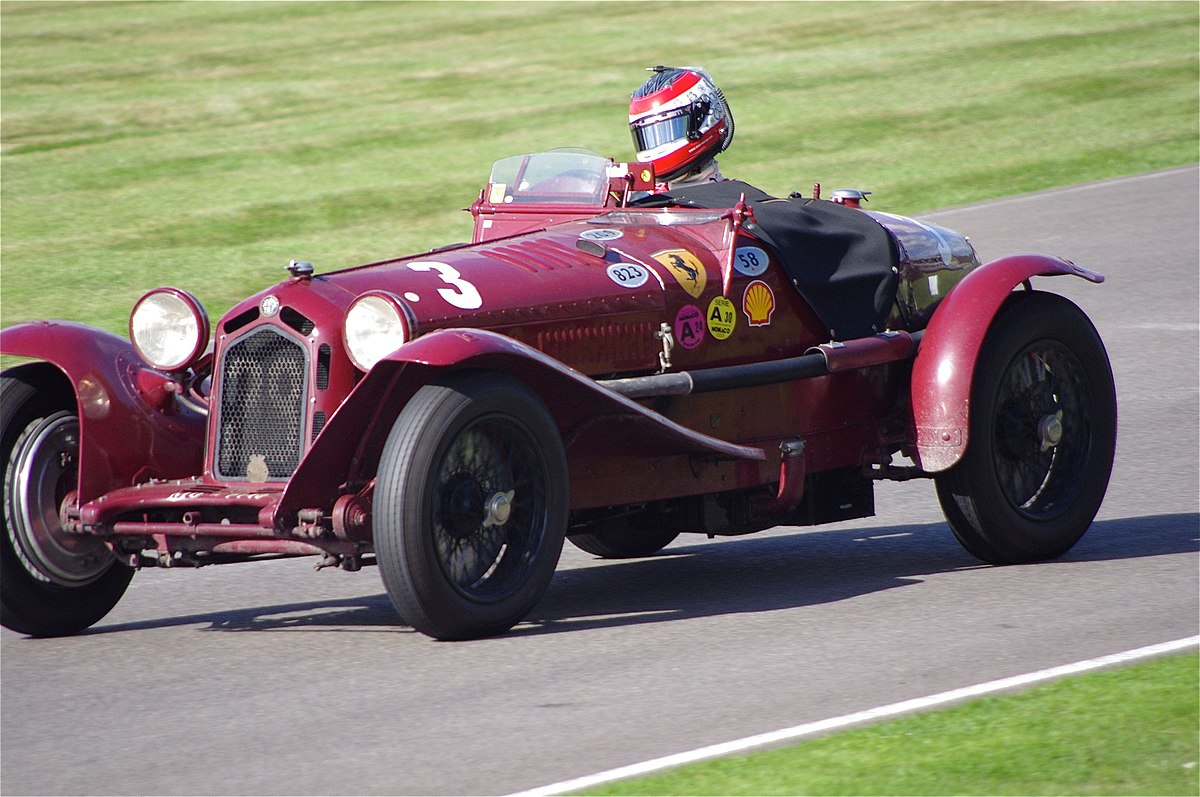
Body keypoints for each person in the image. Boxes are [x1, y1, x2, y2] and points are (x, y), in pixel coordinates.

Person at [628, 66, 734, 192]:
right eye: (649, 135)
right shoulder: (634, 200)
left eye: (669, 130)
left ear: (700, 118)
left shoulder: (739, 201)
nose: (659, 145)